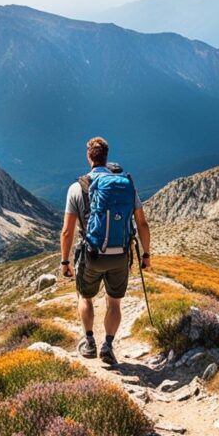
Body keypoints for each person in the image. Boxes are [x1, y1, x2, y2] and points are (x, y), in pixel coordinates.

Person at [60, 137, 152, 366]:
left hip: (91, 255)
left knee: (85, 296)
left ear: (89, 157)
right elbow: (142, 224)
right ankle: (108, 345)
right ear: (106, 157)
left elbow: (67, 232)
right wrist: (146, 256)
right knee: (114, 303)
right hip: (121, 255)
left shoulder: (77, 188)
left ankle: (89, 341)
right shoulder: (125, 186)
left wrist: (65, 262)